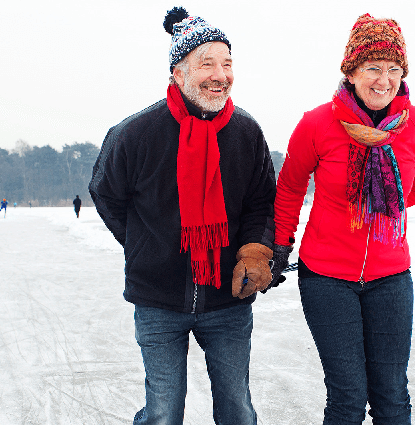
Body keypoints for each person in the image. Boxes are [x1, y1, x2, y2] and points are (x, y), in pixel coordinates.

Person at [89, 7, 276, 425]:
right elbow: (106, 193)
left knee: (238, 411)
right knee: (163, 413)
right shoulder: (135, 134)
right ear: (178, 72)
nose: (220, 74)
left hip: (227, 299)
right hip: (158, 299)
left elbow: (262, 201)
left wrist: (254, 251)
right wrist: (146, 244)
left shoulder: (246, 133)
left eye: (227, 63)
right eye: (206, 63)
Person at [268, 14, 415, 425]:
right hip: (326, 277)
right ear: (352, 70)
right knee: (348, 396)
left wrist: (378, 208)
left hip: (391, 278)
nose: (384, 80)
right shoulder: (317, 123)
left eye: (394, 69)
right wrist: (278, 245)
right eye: (373, 68)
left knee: (392, 394)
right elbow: (290, 187)